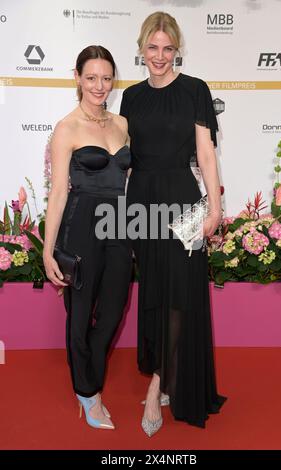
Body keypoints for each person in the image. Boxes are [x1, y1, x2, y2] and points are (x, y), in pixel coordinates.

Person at [120, 12, 226, 435]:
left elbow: (205, 153)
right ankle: (163, 372)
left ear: (176, 49)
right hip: (142, 201)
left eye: (167, 48)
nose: (160, 56)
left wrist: (215, 208)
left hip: (184, 200)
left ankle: (157, 387)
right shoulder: (130, 97)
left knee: (180, 291)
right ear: (142, 48)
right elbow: (126, 157)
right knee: (155, 290)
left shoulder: (195, 90)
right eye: (152, 48)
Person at [43, 45, 132, 430]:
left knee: (113, 311)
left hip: (120, 225)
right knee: (79, 315)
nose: (100, 85)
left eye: (107, 77)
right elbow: (59, 192)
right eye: (92, 77)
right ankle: (87, 391)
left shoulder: (122, 124)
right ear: (77, 77)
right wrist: (48, 252)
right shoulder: (67, 127)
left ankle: (90, 377)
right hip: (80, 227)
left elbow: (130, 179)